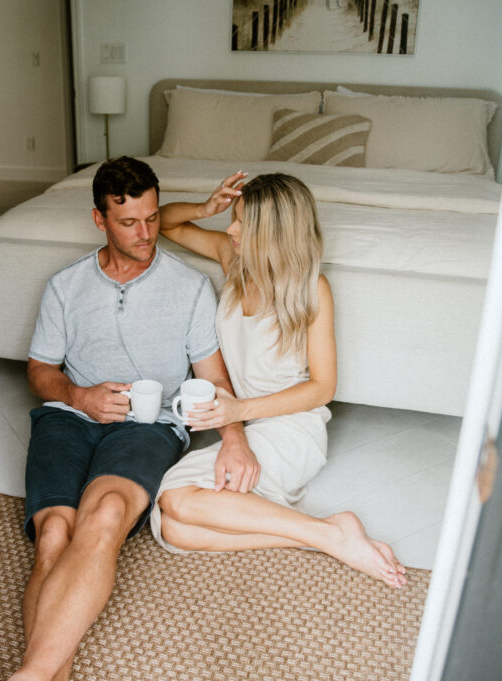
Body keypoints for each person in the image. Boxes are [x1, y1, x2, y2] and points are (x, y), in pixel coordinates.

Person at [8, 157, 254, 681]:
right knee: (54, 534)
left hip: (149, 425)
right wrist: (78, 395)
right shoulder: (64, 286)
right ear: (99, 219)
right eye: (128, 222)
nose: (145, 234)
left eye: (151, 218)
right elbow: (39, 369)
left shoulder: (189, 287)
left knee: (103, 519)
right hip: (68, 417)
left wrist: (234, 437)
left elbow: (214, 378)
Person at [149, 171, 408, 589]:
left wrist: (238, 411)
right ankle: (327, 535)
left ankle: (329, 535)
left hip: (292, 428)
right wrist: (205, 207)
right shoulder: (233, 260)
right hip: (248, 424)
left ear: (274, 233)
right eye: (232, 217)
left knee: (173, 500)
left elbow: (323, 389)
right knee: (175, 530)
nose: (229, 229)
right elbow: (160, 223)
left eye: (242, 222)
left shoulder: (312, 289)